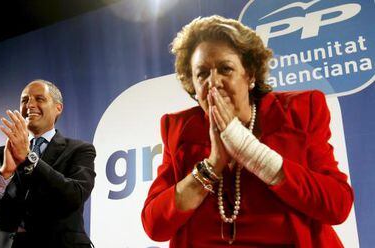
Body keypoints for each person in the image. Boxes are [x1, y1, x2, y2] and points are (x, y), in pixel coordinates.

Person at [141, 15, 354, 247]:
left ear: (250, 74)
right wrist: (212, 166)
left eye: (225, 69)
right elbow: (155, 226)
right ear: (192, 83)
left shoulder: (300, 111)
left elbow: (337, 206)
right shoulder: (178, 129)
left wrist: (250, 151)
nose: (213, 82)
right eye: (202, 73)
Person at [0, 79, 96, 248]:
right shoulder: (0, 154)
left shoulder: (80, 150)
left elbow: (74, 196)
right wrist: (4, 172)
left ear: (58, 108)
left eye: (39, 99)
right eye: (25, 100)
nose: (29, 105)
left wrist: (29, 158)